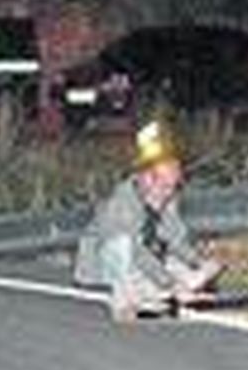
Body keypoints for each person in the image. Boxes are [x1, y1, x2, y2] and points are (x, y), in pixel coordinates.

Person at [73, 119, 223, 321]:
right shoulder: (122, 203)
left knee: (179, 264)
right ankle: (132, 298)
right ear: (146, 178)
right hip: (104, 266)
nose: (169, 193)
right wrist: (170, 283)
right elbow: (137, 252)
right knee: (122, 246)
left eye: (173, 187)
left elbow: (175, 240)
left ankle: (164, 293)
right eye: (165, 186)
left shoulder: (166, 199)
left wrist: (199, 262)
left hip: (144, 264)